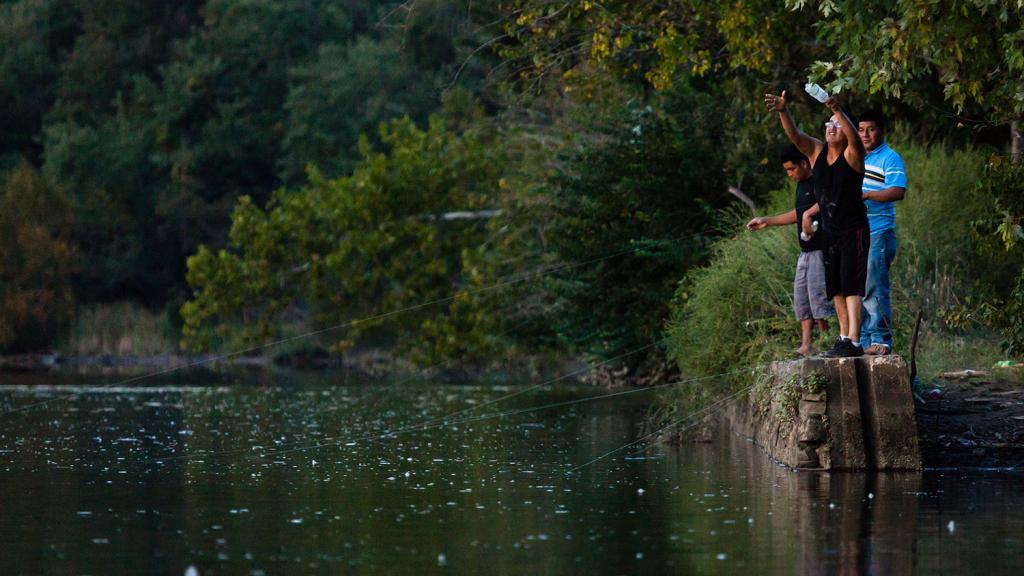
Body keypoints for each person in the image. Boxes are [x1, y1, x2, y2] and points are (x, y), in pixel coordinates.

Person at [764, 89, 869, 357]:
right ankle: (843, 336)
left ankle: (855, 341)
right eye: (828, 124)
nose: (831, 128)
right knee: (835, 287)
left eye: (837, 125)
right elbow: (795, 136)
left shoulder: (853, 154)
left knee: (851, 285)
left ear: (846, 129)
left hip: (853, 228)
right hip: (830, 233)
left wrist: (836, 110)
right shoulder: (817, 152)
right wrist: (783, 111)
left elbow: (855, 139)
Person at [746, 145, 833, 356]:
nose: (790, 174)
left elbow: (827, 203)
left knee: (818, 297)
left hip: (820, 250)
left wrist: (809, 216)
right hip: (804, 252)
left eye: (792, 169)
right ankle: (806, 343)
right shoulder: (801, 186)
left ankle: (827, 340)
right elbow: (798, 213)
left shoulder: (818, 181)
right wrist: (768, 221)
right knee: (801, 296)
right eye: (787, 170)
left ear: (804, 163)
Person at [858, 110, 907, 355]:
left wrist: (867, 195)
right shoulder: (857, 157)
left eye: (871, 129)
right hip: (858, 232)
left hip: (879, 231)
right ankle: (863, 341)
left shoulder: (890, 157)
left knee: (875, 287)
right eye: (861, 130)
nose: (865, 135)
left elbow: (898, 190)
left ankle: (881, 339)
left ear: (881, 131)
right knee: (859, 289)